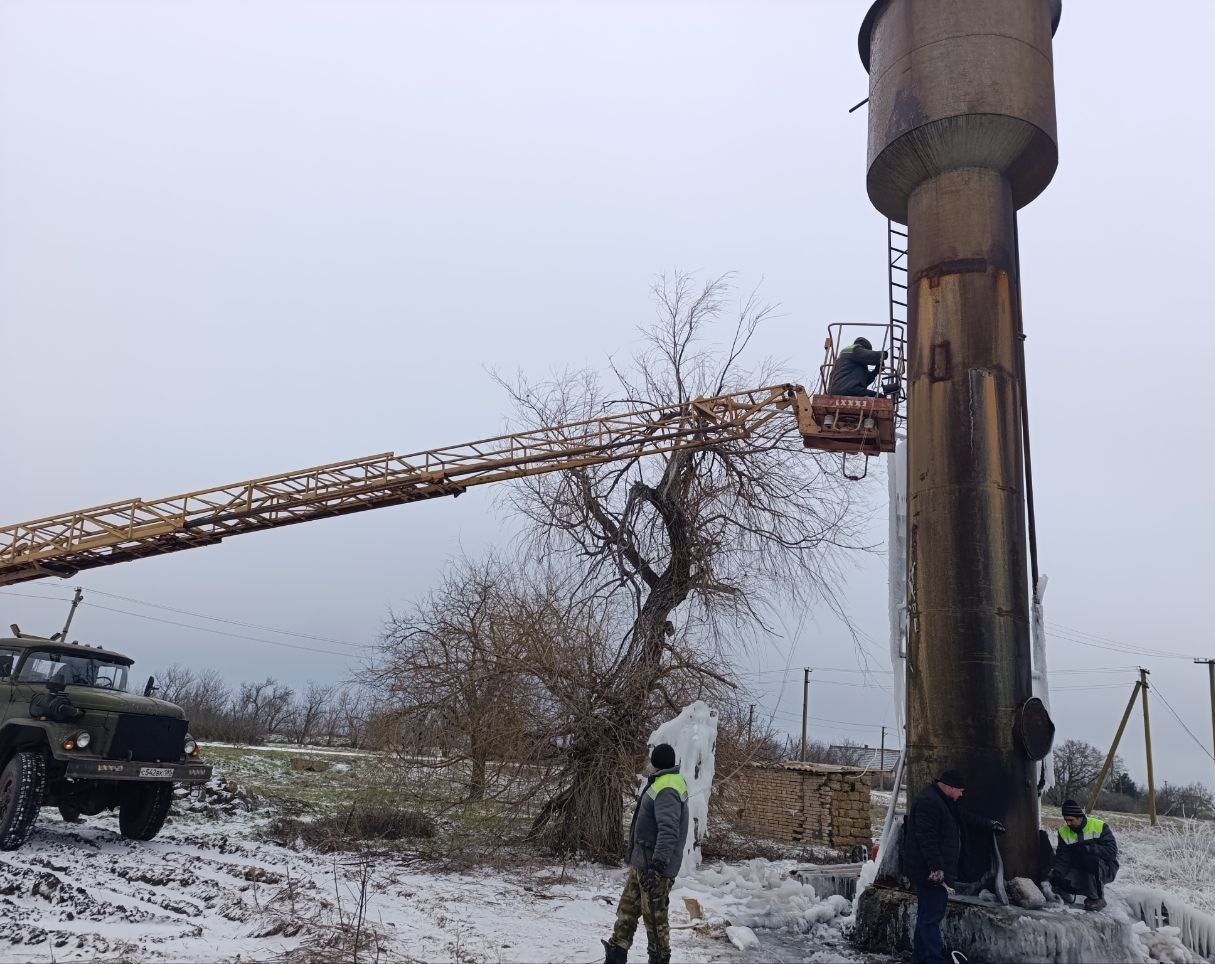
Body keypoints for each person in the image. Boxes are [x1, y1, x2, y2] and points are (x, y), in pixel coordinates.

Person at [902, 770, 1006, 964]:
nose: (962, 794)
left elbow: (966, 817)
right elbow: (926, 839)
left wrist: (989, 824)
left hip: (934, 872)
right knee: (931, 918)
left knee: (927, 916)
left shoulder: (945, 802)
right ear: (949, 787)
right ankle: (933, 960)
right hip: (930, 874)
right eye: (960, 790)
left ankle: (920, 959)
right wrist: (936, 869)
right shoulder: (929, 803)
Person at [603, 743, 690, 964]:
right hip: (643, 863)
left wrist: (658, 866)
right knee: (627, 909)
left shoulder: (668, 788)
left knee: (654, 918)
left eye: (652, 761)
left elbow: (669, 831)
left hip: (655, 868)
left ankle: (659, 959)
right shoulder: (661, 781)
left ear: (657, 763)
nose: (649, 764)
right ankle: (615, 954)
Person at [1049, 800, 1118, 911]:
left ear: (1080, 817)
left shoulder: (1100, 826)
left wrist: (1088, 848)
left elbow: (1112, 852)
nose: (1068, 823)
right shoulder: (1063, 832)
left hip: (1106, 868)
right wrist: (1057, 873)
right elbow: (1063, 858)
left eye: (1071, 820)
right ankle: (1069, 894)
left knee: (1090, 860)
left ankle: (1097, 899)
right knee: (1060, 878)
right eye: (1066, 820)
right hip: (1080, 868)